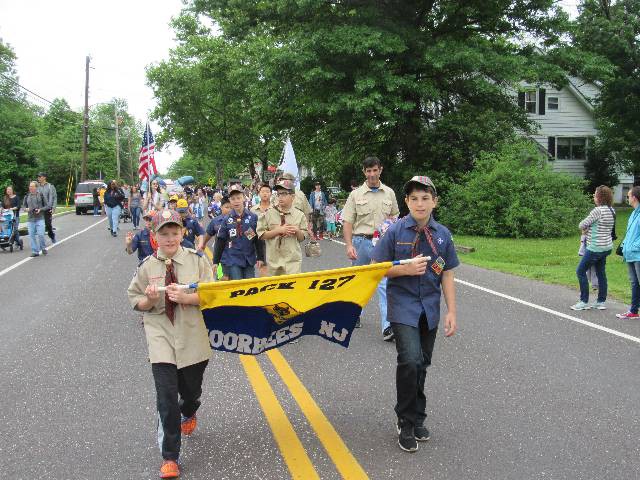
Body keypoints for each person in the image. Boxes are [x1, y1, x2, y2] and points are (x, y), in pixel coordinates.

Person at [371, 175, 458, 453]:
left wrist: (451, 311)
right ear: (406, 202)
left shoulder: (442, 235)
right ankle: (405, 421)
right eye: (414, 198)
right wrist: (403, 269)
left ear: (434, 201)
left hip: (429, 310)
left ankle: (418, 414)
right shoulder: (395, 232)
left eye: (425, 198)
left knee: (422, 364)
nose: (420, 204)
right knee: (409, 360)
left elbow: (447, 274)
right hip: (403, 307)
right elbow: (376, 267)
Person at [127, 209, 213, 479]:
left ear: (182, 233)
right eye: (163, 233)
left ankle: (190, 409)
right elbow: (135, 301)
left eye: (174, 233)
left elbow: (211, 295)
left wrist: (187, 298)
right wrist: (150, 300)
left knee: (190, 390)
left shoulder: (197, 261)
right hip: (160, 335)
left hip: (192, 335)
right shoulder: (146, 267)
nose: (170, 238)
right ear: (155, 236)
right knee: (166, 397)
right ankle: (170, 456)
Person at [342, 155, 399, 331]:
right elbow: (348, 221)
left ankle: (387, 326)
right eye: (368, 171)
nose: (372, 174)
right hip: (362, 243)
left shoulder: (389, 193)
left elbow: (395, 217)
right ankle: (354, 314)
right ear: (364, 172)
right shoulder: (355, 194)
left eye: (375, 170)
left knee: (385, 284)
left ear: (380, 170)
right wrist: (349, 245)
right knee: (359, 282)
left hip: (383, 244)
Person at [571, 185, 615, 311]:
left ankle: (583, 301)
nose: (593, 197)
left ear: (599, 197)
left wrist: (587, 228)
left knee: (580, 271)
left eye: (595, 194)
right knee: (601, 273)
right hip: (606, 247)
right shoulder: (612, 210)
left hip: (595, 247)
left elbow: (582, 224)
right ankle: (601, 301)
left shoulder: (597, 211)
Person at [212, 184, 265, 280]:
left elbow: (257, 239)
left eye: (238, 198)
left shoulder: (253, 217)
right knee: (238, 284)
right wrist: (216, 261)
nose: (236, 201)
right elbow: (220, 241)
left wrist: (261, 258)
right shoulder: (227, 219)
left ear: (244, 198)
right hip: (233, 259)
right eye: (233, 199)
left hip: (248, 259)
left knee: (249, 285)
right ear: (230, 201)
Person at [257, 178, 308, 276]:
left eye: (284, 194)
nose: (280, 197)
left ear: (292, 197)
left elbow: (302, 238)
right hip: (274, 262)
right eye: (278, 194)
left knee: (292, 289)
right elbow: (261, 235)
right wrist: (278, 230)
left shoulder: (299, 215)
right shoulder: (269, 213)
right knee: (275, 290)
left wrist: (297, 231)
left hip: (292, 262)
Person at [617, 186, 640, 319]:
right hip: (630, 254)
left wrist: (634, 246)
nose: (627, 198)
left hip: (638, 254)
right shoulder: (633, 213)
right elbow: (629, 233)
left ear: (634, 198)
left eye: (629, 196)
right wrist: (626, 246)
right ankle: (633, 310)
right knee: (634, 282)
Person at [22, 181, 49, 257]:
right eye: (30, 186)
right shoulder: (26, 196)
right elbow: (23, 206)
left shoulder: (41, 195)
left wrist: (40, 209)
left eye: (32, 186)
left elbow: (47, 206)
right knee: (31, 236)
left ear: (36, 187)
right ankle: (35, 251)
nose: (30, 188)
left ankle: (43, 248)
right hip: (30, 219)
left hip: (40, 218)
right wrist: (25, 209)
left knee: (41, 235)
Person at [36, 172, 57, 244]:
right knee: (39, 225)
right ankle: (42, 241)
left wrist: (53, 208)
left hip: (47, 209)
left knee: (48, 225)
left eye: (40, 177)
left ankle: (52, 235)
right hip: (39, 209)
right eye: (38, 177)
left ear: (44, 177)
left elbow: (54, 197)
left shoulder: (50, 186)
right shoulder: (36, 187)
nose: (38, 178)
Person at [3, 185, 23, 249]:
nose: (8, 191)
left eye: (10, 189)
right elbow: (2, 206)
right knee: (6, 229)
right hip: (6, 217)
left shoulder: (16, 197)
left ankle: (18, 242)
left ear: (12, 190)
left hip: (15, 216)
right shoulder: (5, 198)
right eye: (7, 190)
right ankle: (6, 241)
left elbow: (19, 206)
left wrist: (14, 208)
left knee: (15, 229)